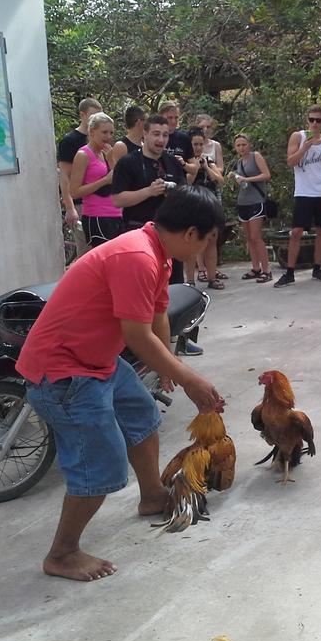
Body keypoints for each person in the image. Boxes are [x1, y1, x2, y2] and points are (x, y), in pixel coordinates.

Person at [15, 185, 224, 582]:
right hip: (62, 372)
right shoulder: (138, 257)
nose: (203, 250)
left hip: (95, 361)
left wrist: (169, 364)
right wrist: (190, 379)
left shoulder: (157, 252)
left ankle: (151, 497)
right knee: (101, 464)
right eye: (207, 241)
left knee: (143, 415)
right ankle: (62, 553)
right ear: (191, 233)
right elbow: (136, 336)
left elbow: (158, 315)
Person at [111, 115, 202, 355]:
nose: (161, 139)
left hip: (171, 239)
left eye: (165, 135)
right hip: (138, 237)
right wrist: (148, 192)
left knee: (174, 291)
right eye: (156, 134)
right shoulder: (128, 163)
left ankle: (178, 340)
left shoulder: (172, 163)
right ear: (144, 134)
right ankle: (141, 344)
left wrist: (175, 196)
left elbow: (185, 194)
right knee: (142, 296)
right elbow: (118, 199)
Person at [275, 104, 321, 287]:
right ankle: (290, 272)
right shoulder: (298, 136)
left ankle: (317, 268)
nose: (315, 124)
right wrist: (304, 148)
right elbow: (290, 161)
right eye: (312, 120)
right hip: (303, 192)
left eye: (318, 120)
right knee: (296, 232)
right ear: (307, 120)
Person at [69, 112, 123, 248]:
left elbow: (118, 180)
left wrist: (110, 159)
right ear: (92, 132)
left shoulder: (106, 153)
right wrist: (104, 181)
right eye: (104, 132)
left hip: (116, 214)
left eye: (111, 133)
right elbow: (74, 192)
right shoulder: (83, 155)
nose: (108, 137)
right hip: (97, 215)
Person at [58, 97, 102, 258]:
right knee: (86, 253)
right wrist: (70, 208)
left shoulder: (101, 140)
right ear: (82, 115)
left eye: (100, 116)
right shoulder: (70, 141)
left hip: (100, 205)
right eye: (93, 116)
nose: (96, 120)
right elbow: (65, 176)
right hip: (80, 204)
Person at [184, 127, 226, 288]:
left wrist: (206, 167)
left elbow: (220, 181)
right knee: (191, 243)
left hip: (210, 205)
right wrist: (194, 167)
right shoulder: (185, 163)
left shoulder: (208, 161)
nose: (198, 147)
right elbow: (186, 182)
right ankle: (189, 281)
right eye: (195, 144)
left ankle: (212, 277)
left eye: (201, 144)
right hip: (192, 205)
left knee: (211, 242)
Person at [230, 134, 273, 283]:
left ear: (249, 145)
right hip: (243, 201)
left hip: (256, 201)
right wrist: (237, 179)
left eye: (244, 144)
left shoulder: (256, 156)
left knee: (256, 236)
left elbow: (267, 175)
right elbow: (243, 183)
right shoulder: (240, 162)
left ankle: (267, 270)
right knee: (248, 237)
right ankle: (256, 268)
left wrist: (247, 179)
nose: (241, 148)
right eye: (238, 145)